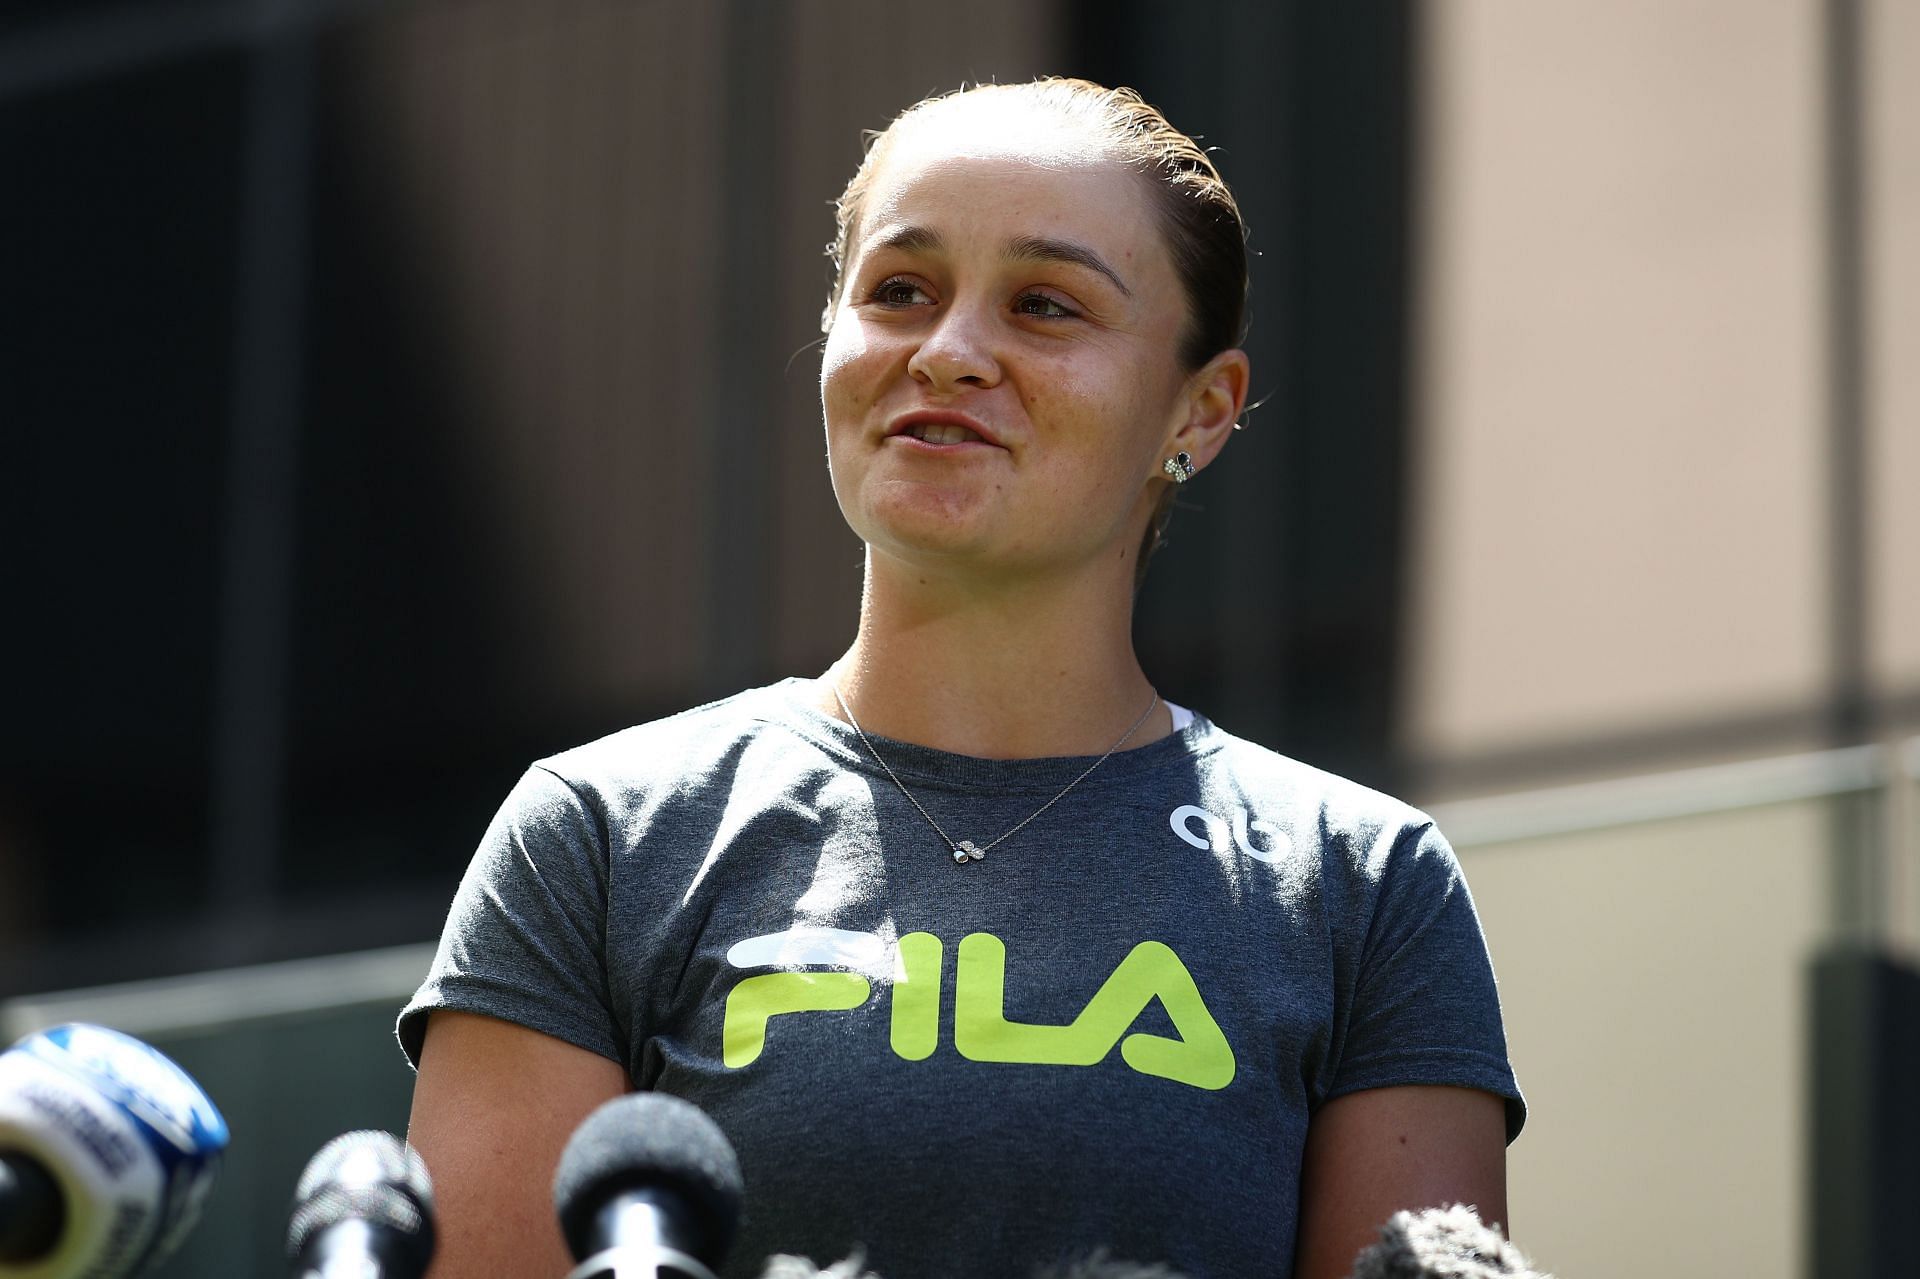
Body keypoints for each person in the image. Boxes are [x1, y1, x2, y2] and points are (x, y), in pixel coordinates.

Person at [399, 77, 1523, 1279]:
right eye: (898, 292)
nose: (949, 352)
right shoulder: (600, 836)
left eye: (1044, 305)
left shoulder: (1364, 886)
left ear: (1199, 413)